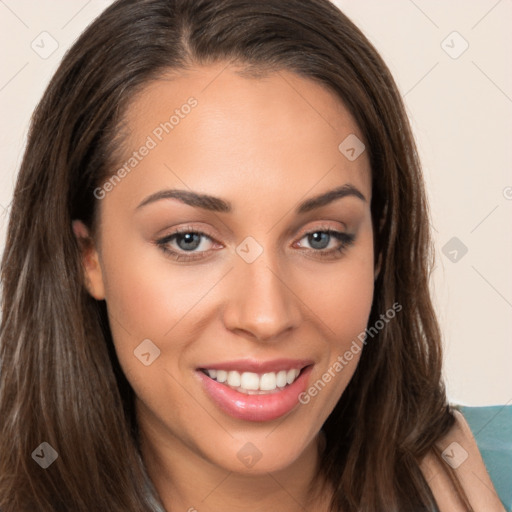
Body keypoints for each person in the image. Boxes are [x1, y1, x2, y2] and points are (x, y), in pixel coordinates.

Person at [0, 0, 505, 511]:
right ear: (89, 256)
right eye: (189, 240)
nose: (266, 316)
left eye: (320, 237)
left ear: (378, 246)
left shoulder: (484, 476)